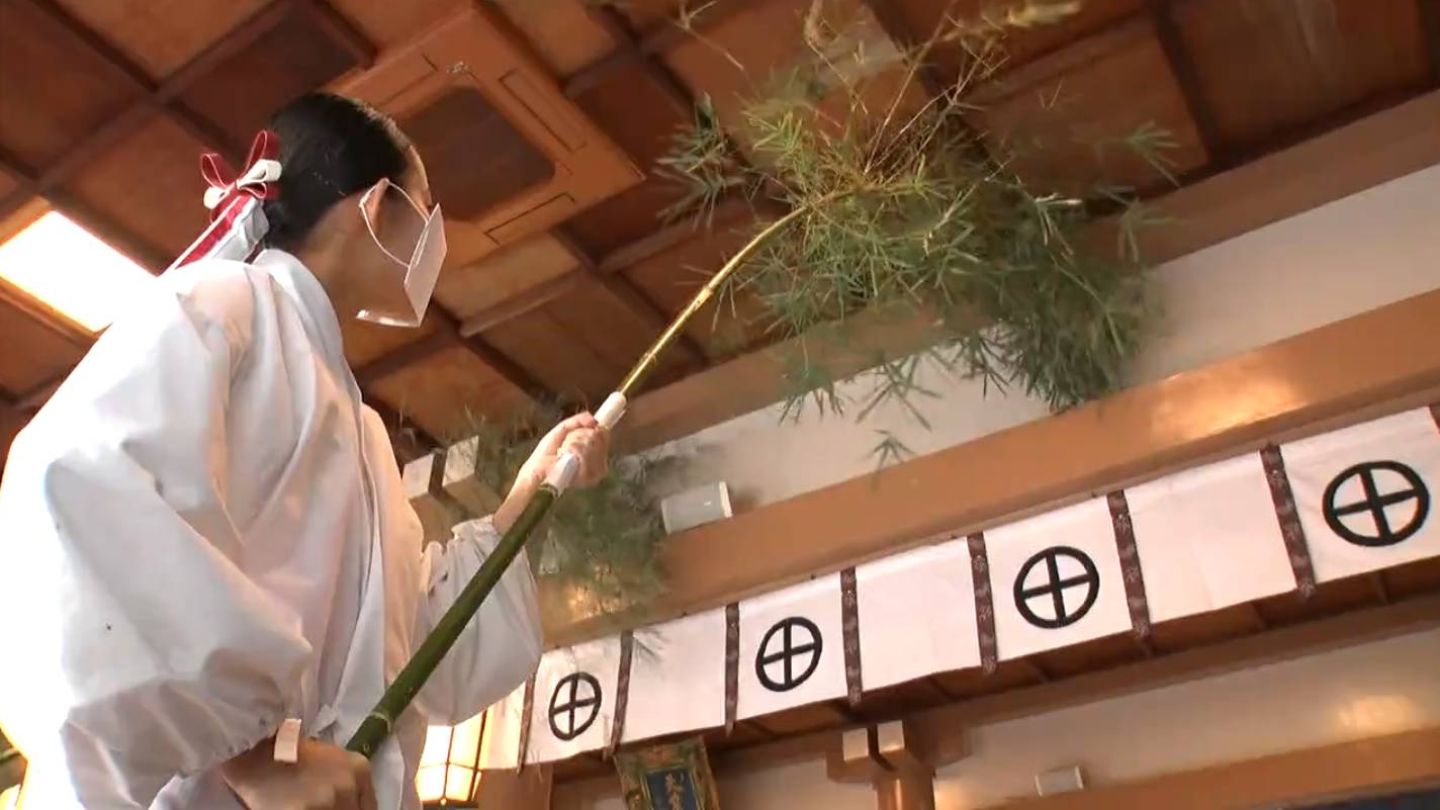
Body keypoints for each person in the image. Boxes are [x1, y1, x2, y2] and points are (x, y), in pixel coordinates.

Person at [0, 92, 610, 809]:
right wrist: (258, 754)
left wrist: (525, 503)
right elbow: (77, 487)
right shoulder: (223, 305)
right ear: (379, 207)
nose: (429, 244)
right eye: (424, 208)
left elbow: (402, 641)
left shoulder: (362, 427)